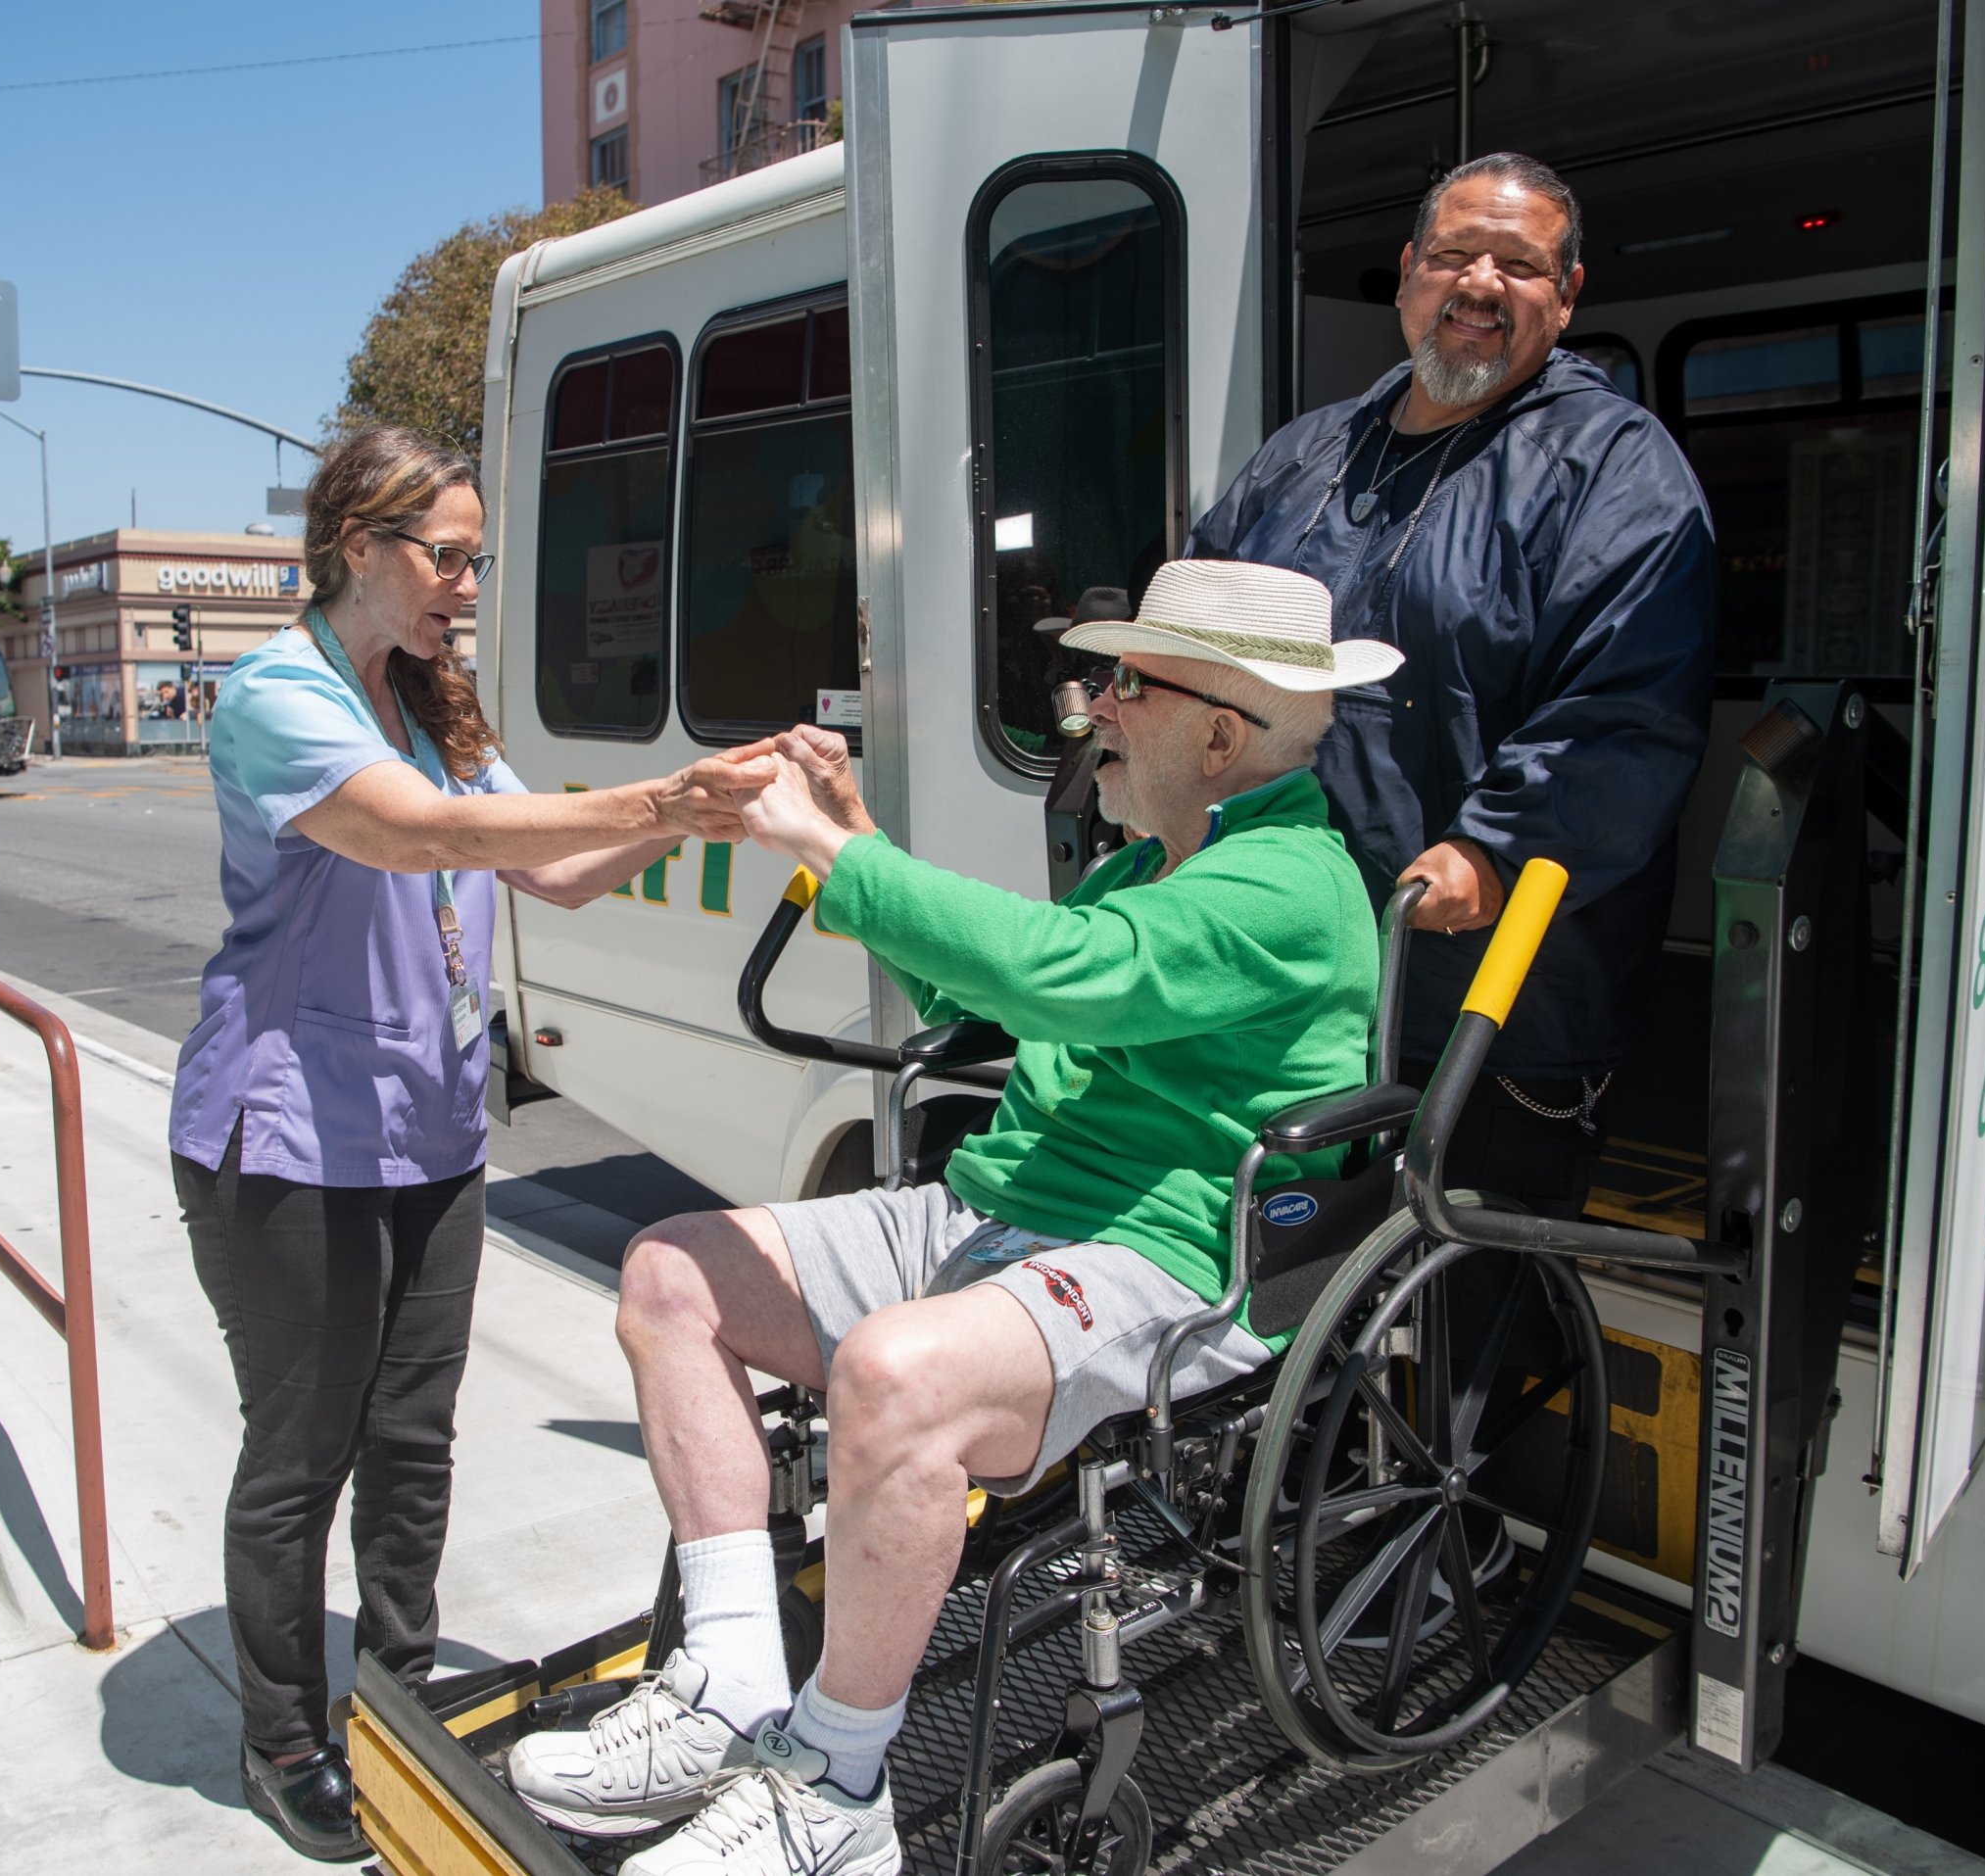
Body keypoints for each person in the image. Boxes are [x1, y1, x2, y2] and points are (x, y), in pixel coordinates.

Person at [504, 559, 1395, 1876]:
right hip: (1004, 1209)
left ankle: (835, 1783)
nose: (1094, 705)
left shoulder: (1288, 883)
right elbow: (1015, 999)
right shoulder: (1159, 859)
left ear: (1219, 731)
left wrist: (834, 850)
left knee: (892, 1375)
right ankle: (735, 1681)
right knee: (669, 1275)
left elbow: (1063, 973)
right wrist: (861, 829)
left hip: (1162, 1258)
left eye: (1125, 683)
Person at [170, 423, 769, 1863]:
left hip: (430, 1129)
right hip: (290, 1137)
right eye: (448, 557)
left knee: (414, 1438)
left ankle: (397, 1685)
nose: (465, 585)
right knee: (302, 1449)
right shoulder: (276, 696)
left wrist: (711, 811)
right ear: (359, 545)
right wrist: (664, 797)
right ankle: (284, 1737)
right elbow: (424, 840)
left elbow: (547, 864)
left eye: (476, 561)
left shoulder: (432, 702)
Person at [1187, 151, 1717, 1217]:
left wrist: (1496, 845)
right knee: (1292, 1299)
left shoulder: (1616, 468)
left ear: (1565, 298)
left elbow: (1627, 709)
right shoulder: (1305, 456)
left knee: (1470, 1322)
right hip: (1290, 970)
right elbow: (1200, 637)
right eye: (1452, 255)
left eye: (1518, 265)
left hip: (1490, 997)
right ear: (1405, 274)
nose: (1478, 284)